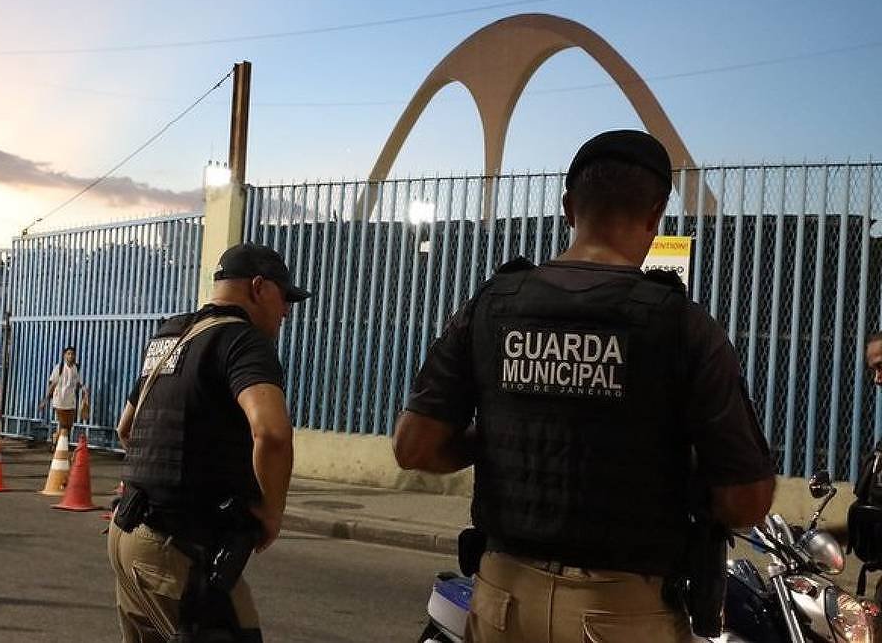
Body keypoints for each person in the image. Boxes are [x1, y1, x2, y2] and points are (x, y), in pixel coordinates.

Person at [393, 130, 776, 642]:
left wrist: (503, 439)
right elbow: (747, 502)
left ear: (570, 208)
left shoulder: (491, 306)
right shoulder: (682, 325)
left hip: (502, 601)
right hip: (625, 612)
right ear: (655, 214)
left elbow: (414, 447)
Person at [109, 243, 309, 643]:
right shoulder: (243, 341)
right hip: (177, 548)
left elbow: (125, 427)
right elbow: (271, 434)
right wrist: (272, 511)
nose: (286, 311)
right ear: (258, 287)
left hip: (128, 536)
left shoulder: (172, 334)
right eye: (284, 297)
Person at [44, 346, 87, 444]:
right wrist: (46, 398)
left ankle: (57, 441)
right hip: (60, 401)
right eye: (68, 354)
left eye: (72, 354)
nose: (70, 356)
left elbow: (78, 382)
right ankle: (57, 445)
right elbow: (52, 383)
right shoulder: (59, 368)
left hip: (71, 402)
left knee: (69, 426)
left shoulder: (76, 368)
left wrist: (84, 388)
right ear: (64, 356)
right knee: (63, 424)